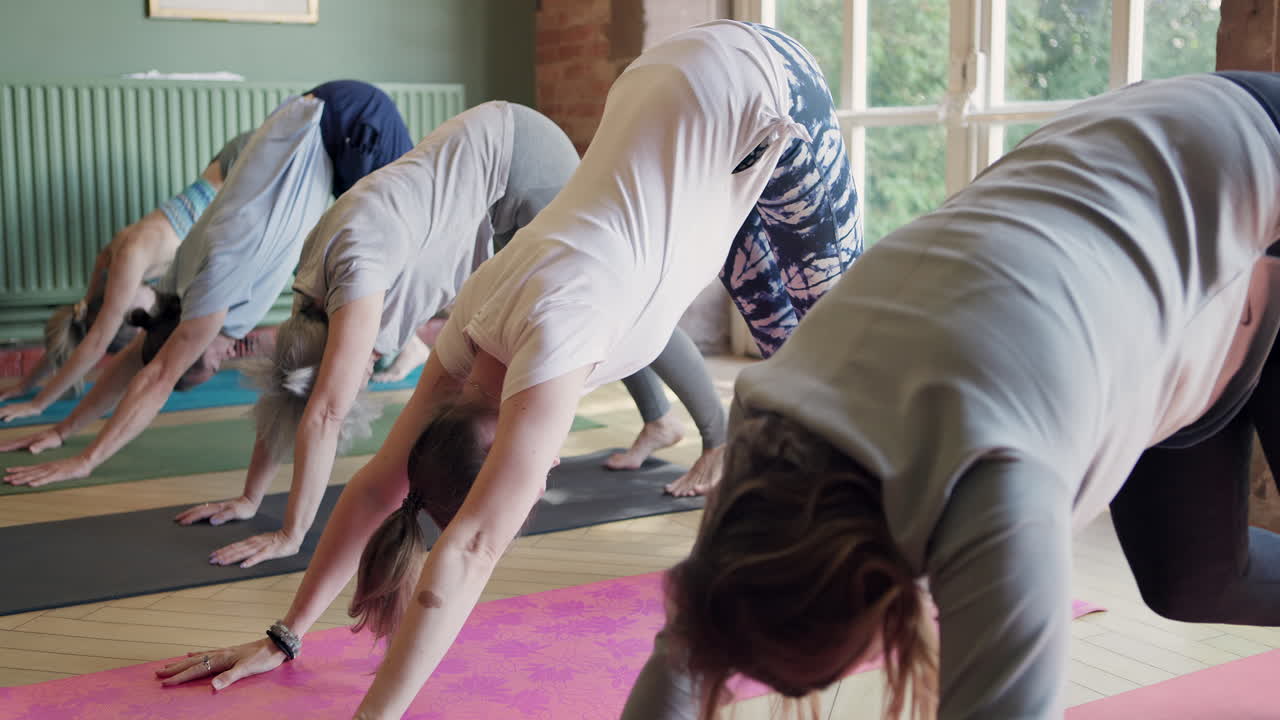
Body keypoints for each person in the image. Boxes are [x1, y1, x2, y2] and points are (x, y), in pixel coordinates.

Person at [153, 21, 861, 717]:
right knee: (788, 353)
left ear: (497, 447)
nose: (545, 473)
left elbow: (466, 551)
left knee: (837, 356)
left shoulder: (554, 346)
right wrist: (288, 634)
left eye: (529, 474)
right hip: (661, 81)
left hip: (757, 78)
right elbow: (377, 488)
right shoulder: (472, 324)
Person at [613, 70, 1280, 720]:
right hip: (1153, 220)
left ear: (874, 606)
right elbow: (687, 652)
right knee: (1196, 578)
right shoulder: (770, 435)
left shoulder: (996, 487)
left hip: (1250, 156)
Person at [175, 101, 728, 567]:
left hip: (518, 160)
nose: (363, 374)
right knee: (581, 317)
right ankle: (658, 421)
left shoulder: (357, 269)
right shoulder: (312, 299)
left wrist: (291, 536)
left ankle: (717, 438)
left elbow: (324, 410)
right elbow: (294, 390)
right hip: (486, 162)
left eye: (353, 372)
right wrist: (251, 497)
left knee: (608, 303)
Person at [1, 80, 412, 488]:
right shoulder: (177, 290)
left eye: (212, 364)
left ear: (200, 352)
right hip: (317, 126)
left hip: (347, 118)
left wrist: (86, 460)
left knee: (401, 227)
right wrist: (61, 431)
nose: (227, 356)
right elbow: (139, 356)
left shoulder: (212, 295)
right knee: (369, 230)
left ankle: (409, 341)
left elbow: (157, 376)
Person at [0, 132, 251, 421]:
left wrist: (38, 404)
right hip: (229, 170)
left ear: (119, 309)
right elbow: (76, 328)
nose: (147, 315)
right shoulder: (111, 267)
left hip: (238, 165)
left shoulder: (129, 258)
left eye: (134, 319)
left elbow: (94, 342)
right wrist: (24, 385)